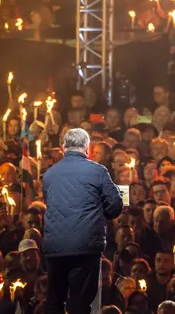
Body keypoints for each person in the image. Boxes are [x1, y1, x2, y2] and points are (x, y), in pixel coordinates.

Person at [42, 127, 124, 314]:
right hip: (85, 247)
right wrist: (101, 213)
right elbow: (115, 206)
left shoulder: (49, 175)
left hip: (55, 247)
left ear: (63, 148)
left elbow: (50, 203)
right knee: (81, 301)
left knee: (55, 301)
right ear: (88, 148)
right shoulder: (98, 172)